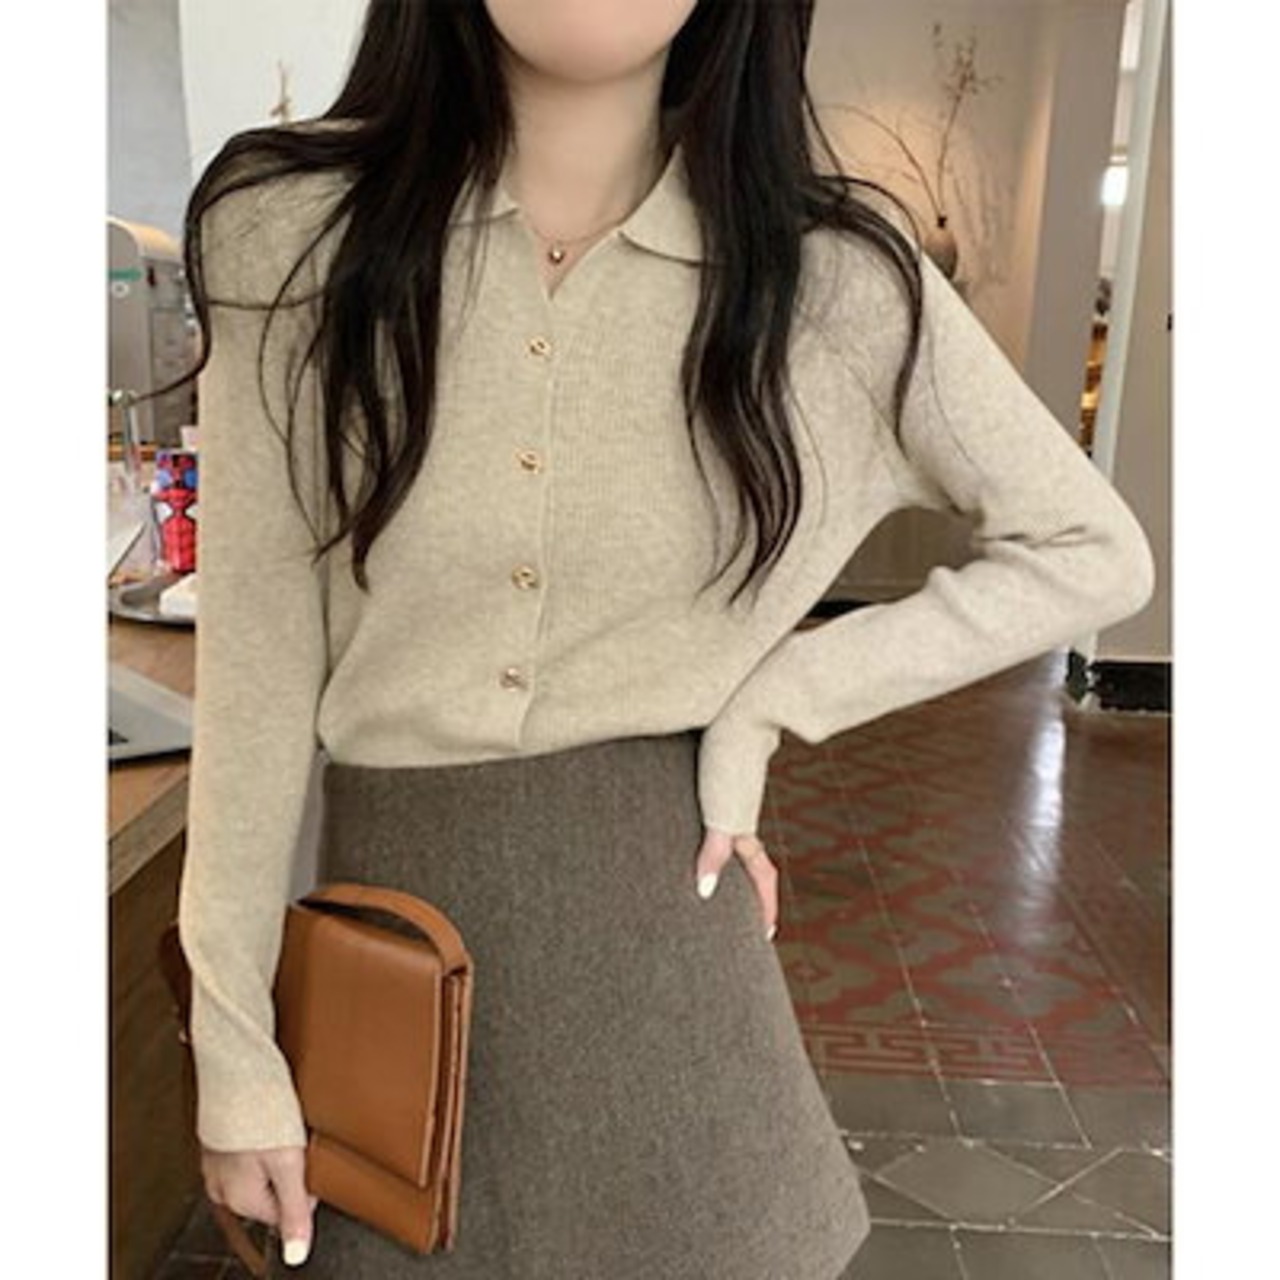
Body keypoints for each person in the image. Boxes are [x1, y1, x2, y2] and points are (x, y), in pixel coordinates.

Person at [175, 1, 1156, 1276]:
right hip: (395, 971)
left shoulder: (830, 279)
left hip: (673, 963)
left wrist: (775, 695)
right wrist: (235, 1051)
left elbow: (1090, 549)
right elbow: (252, 677)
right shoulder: (291, 232)